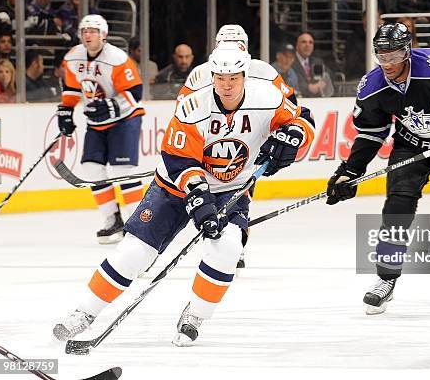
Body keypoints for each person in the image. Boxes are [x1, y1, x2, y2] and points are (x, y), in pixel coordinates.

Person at [52, 42, 315, 345]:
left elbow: (302, 120)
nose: (226, 86)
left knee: (227, 249)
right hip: (173, 188)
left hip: (231, 189)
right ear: (212, 76)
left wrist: (293, 136)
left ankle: (195, 315)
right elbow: (179, 160)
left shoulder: (267, 97)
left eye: (233, 78)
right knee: (134, 253)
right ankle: (84, 312)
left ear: (245, 75)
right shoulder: (193, 106)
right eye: (220, 78)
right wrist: (199, 199)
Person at [326, 23, 430, 315]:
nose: (387, 63)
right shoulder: (373, 87)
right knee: (397, 207)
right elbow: (370, 133)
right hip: (413, 145)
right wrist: (349, 171)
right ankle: (386, 277)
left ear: (407, 52)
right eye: (381, 56)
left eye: (393, 56)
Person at [173, 24, 301, 270]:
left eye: (237, 45)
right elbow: (182, 110)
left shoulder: (263, 70)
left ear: (245, 47)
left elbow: (289, 105)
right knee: (199, 194)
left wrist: (280, 134)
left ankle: (234, 245)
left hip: (249, 143)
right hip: (209, 144)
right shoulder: (202, 73)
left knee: (240, 194)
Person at [56, 14, 145, 244]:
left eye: (93, 31)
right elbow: (72, 89)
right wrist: (66, 110)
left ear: (103, 35)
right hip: (97, 123)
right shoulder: (73, 58)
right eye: (84, 30)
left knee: (122, 169)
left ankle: (139, 224)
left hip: (125, 119)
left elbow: (135, 92)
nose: (88, 34)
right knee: (91, 168)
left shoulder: (116, 58)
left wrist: (111, 105)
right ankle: (112, 220)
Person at [292, 31, 334, 97]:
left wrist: (323, 83)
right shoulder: (289, 61)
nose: (307, 45)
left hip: (316, 101)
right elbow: (288, 82)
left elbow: (330, 75)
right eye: (304, 42)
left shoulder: (317, 62)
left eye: (310, 42)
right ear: (297, 46)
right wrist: (308, 88)